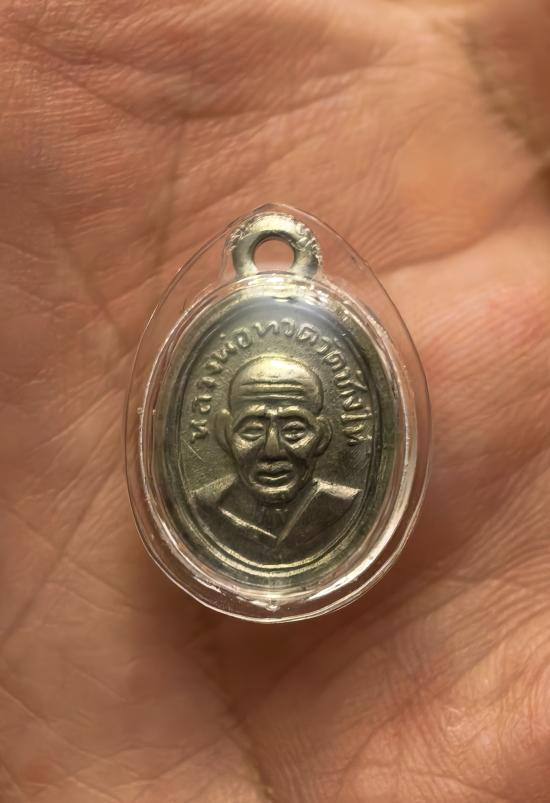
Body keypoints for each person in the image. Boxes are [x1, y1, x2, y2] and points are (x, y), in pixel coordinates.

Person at [1, 1, 549, 801]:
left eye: (293, 426)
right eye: (252, 424)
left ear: (325, 431)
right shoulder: (206, 508)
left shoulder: (343, 505)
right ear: (220, 426)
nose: (269, 447)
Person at [195, 355, 359, 548]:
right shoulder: (207, 504)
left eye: (293, 430)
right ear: (225, 435)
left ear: (322, 437)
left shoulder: (343, 506)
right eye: (252, 430)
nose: (272, 451)